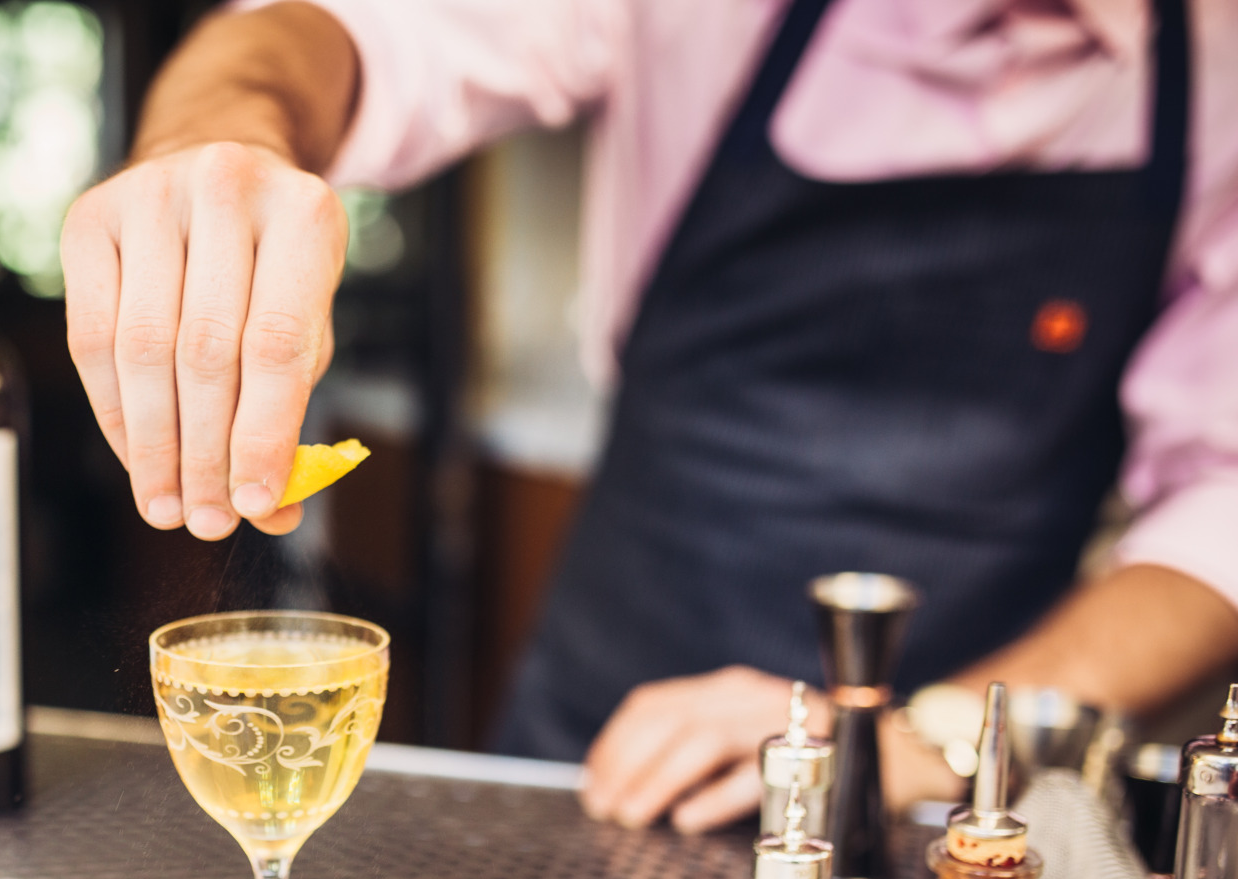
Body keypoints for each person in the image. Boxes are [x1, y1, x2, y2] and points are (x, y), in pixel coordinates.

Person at [61, 0, 1238, 831]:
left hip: (946, 802)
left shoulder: (1221, 72)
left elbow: (1221, 503)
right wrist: (215, 140)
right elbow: (337, 33)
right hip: (599, 729)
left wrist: (928, 737)